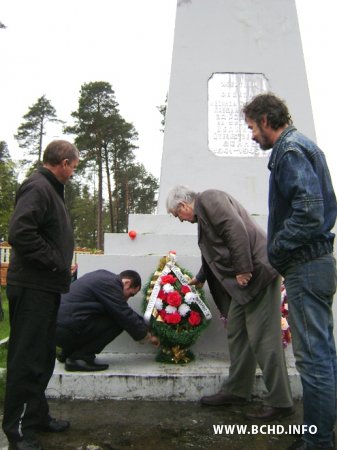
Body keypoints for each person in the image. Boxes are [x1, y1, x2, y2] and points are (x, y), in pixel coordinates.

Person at [243, 93, 337, 450]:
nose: (252, 136)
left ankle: (318, 443)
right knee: (324, 357)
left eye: (252, 127)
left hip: (306, 267)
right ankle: (319, 432)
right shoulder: (304, 147)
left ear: (267, 119)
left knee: (314, 361)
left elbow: (310, 211)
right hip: (318, 264)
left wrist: (277, 248)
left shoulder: (289, 151)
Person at [166, 186, 293, 421]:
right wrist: (201, 277)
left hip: (257, 275)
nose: (181, 220)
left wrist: (244, 268)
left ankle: (281, 401)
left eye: (177, 215)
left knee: (264, 339)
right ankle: (237, 390)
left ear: (183, 206)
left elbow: (234, 229)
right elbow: (216, 253)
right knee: (237, 331)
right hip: (244, 285)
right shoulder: (204, 214)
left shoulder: (210, 198)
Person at [2, 140, 80, 450]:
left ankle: (36, 415)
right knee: (27, 358)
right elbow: (20, 233)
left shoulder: (50, 190)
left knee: (43, 356)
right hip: (33, 287)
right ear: (62, 163)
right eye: (73, 166)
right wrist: (55, 262)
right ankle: (18, 430)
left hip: (44, 287)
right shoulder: (38, 187)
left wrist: (59, 266)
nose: (74, 172)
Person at [55, 269, 160, 371]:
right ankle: (80, 358)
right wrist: (148, 336)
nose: (127, 299)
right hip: (66, 329)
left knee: (112, 315)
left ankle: (67, 352)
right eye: (131, 294)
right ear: (127, 283)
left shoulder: (104, 278)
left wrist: (147, 326)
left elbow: (124, 310)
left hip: (58, 327)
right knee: (118, 321)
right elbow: (124, 314)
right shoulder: (112, 285)